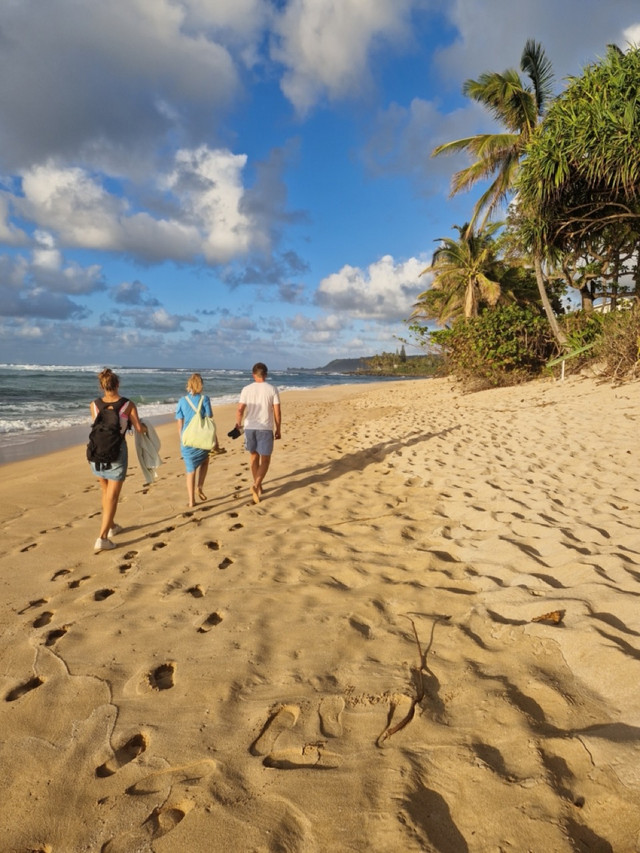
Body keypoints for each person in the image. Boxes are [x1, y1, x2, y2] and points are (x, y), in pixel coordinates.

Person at [89, 368, 148, 553]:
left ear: (102, 386)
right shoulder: (127, 405)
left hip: (96, 453)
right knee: (113, 497)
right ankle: (102, 537)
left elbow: (98, 427)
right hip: (117, 452)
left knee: (106, 492)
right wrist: (146, 429)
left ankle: (112, 526)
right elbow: (138, 428)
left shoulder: (95, 404)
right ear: (118, 384)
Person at [234, 362, 281, 503]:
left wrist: (238, 424)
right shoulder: (272, 389)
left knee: (254, 457)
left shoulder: (246, 389)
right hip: (265, 428)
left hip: (249, 428)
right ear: (266, 375)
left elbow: (240, 410)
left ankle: (258, 487)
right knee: (265, 460)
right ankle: (256, 485)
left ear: (253, 375)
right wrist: (278, 428)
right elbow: (277, 412)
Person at [176, 372, 215, 508]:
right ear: (201, 385)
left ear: (189, 385)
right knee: (205, 461)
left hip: (187, 439)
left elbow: (179, 422)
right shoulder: (205, 398)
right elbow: (210, 416)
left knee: (190, 470)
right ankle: (200, 486)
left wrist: (182, 439)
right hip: (201, 438)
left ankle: (192, 501)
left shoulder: (182, 401)